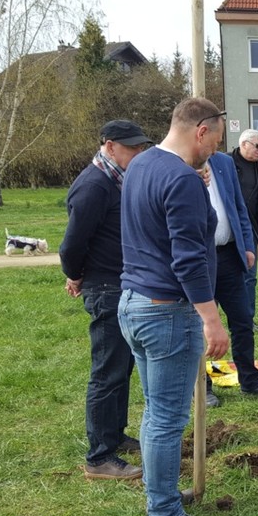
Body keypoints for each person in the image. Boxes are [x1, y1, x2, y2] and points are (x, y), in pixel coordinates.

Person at [118, 98, 230, 516]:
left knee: (153, 413)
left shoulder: (141, 165)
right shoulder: (181, 179)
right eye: (215, 141)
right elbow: (187, 260)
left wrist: (193, 186)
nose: (215, 152)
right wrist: (211, 319)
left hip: (133, 303)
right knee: (166, 418)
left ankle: (161, 494)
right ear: (200, 130)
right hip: (167, 312)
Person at [60, 120, 152, 480]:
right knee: (107, 372)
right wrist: (76, 274)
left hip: (120, 284)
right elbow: (72, 243)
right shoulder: (94, 185)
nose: (138, 153)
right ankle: (99, 457)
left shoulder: (116, 178)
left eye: (141, 146)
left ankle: (114, 435)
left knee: (121, 368)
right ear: (110, 146)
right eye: (132, 147)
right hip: (105, 288)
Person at [204, 148, 258, 402]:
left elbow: (239, 208)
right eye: (214, 137)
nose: (218, 143)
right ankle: (202, 388)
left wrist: (248, 246)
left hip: (228, 256)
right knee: (200, 326)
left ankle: (249, 379)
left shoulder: (223, 163)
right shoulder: (178, 164)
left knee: (243, 320)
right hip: (199, 260)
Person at [229, 129, 258, 329]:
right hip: (228, 230)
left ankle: (247, 319)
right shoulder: (226, 164)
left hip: (250, 230)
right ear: (244, 144)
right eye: (257, 146)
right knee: (221, 276)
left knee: (249, 277)